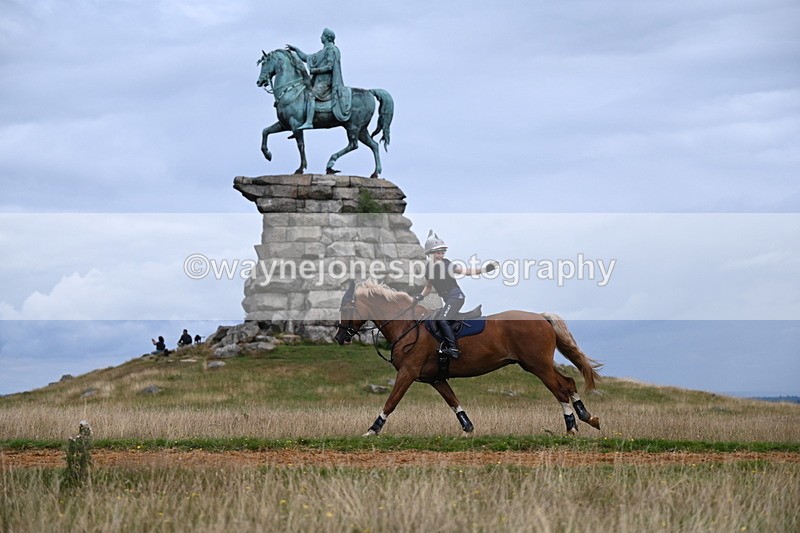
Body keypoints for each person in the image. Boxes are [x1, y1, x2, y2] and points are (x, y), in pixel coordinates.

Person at [416, 230, 497, 359]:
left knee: (442, 319)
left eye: (442, 252)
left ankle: (453, 348)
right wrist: (419, 297)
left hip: (456, 296)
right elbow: (428, 287)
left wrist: (485, 269)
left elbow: (467, 272)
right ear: (429, 254)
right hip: (448, 299)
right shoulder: (428, 270)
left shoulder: (447, 264)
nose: (441, 255)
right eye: (438, 253)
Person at [286, 28, 352, 129]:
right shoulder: (322, 51)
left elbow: (330, 66)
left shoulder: (331, 50)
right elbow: (306, 57)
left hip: (326, 83)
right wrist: (296, 50)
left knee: (311, 95)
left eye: (322, 35)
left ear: (327, 37)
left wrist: (315, 70)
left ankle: (309, 122)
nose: (320, 37)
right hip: (318, 82)